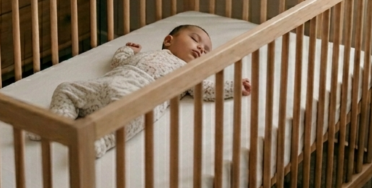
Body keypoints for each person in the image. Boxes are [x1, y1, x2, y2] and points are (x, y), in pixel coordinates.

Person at [31, 24, 252, 158]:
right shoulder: (144, 55)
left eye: (205, 50)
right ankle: (58, 122)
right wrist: (127, 49)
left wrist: (233, 87)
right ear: (168, 40)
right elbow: (118, 63)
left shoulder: (187, 72)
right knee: (66, 88)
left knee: (135, 116)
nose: (201, 48)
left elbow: (204, 90)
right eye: (195, 40)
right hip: (109, 83)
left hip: (139, 96)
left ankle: (100, 142)